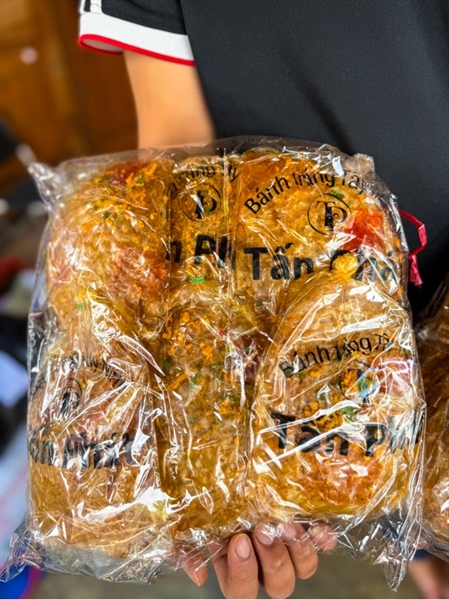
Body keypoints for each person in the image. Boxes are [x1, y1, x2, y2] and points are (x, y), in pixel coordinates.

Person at [79, 2, 449, 598]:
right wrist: (208, 433)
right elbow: (178, 152)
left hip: (425, 280)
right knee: (393, 501)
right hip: (280, 312)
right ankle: (422, 552)